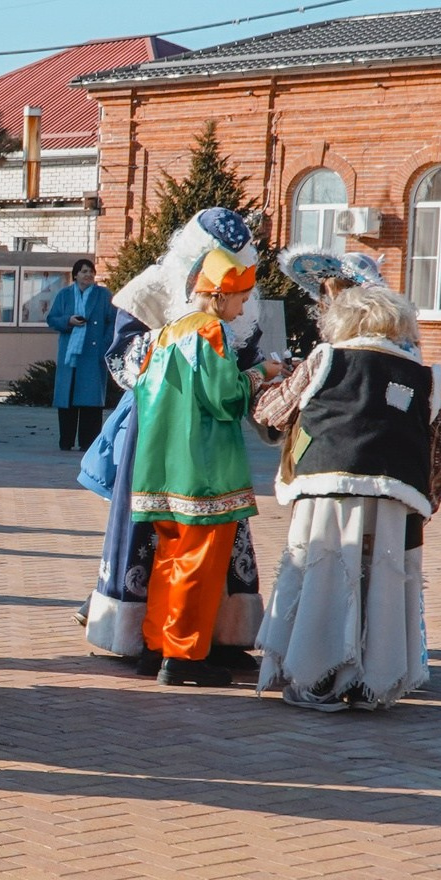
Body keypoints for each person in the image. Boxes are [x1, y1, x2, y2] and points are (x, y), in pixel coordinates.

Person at [79, 209, 269, 667]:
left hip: (193, 436)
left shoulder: (219, 316)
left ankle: (210, 637)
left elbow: (245, 350)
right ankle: (166, 644)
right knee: (189, 547)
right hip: (164, 430)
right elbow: (123, 358)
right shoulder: (156, 293)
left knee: (182, 548)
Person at [252, 284, 441, 711]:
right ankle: (370, 684)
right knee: (380, 580)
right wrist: (427, 499)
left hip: (328, 486)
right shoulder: (423, 375)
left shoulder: (326, 359)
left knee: (325, 575)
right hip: (397, 495)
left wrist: (259, 381)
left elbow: (273, 412)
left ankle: (317, 680)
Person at [126, 242, 281, 687]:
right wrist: (261, 374)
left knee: (168, 560)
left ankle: (156, 647)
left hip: (161, 469)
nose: (244, 307)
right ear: (218, 295)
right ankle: (184, 655)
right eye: (241, 298)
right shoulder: (211, 333)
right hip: (203, 470)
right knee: (198, 562)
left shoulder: (163, 333)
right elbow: (224, 397)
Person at [46, 257, 116, 450]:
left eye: (91, 272)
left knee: (90, 401)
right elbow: (52, 318)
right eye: (84, 272)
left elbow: (113, 320)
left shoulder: (103, 295)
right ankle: (66, 441)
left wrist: (105, 344)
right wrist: (68, 321)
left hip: (93, 353)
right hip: (70, 354)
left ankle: (88, 443)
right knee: (67, 399)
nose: (88, 275)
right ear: (75, 275)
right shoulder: (65, 295)